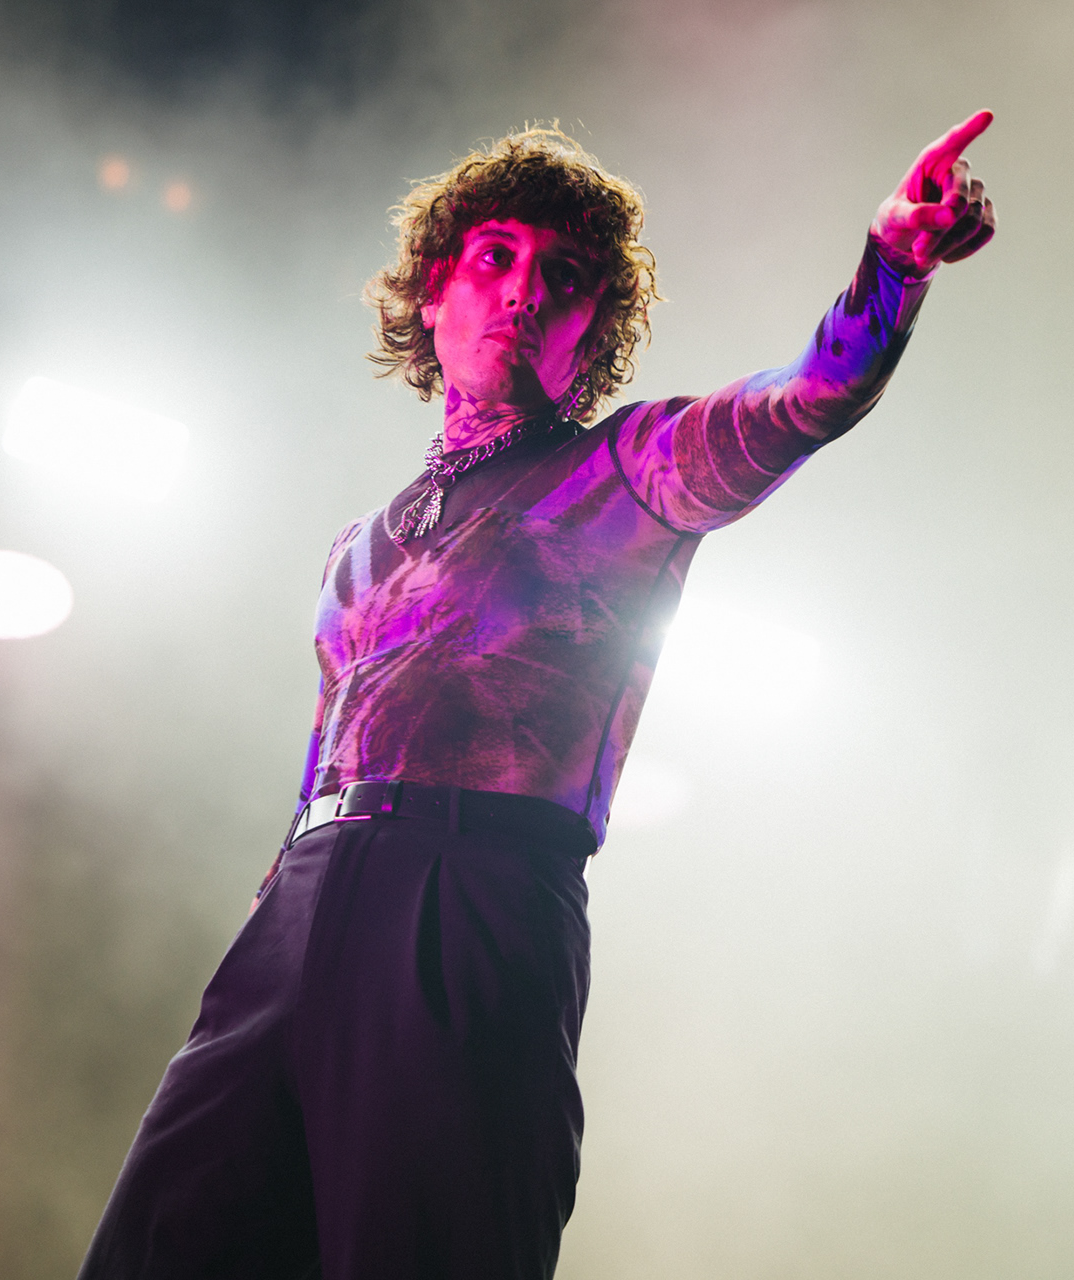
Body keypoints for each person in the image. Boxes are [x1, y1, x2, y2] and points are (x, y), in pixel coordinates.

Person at [79, 113, 996, 1280]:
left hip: (476, 895)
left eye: (565, 277)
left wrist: (896, 263)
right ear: (432, 293)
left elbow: (812, 394)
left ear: (591, 331)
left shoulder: (626, 470)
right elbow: (326, 754)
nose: (523, 290)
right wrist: (275, 921)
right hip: (301, 908)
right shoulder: (357, 546)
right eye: (495, 256)